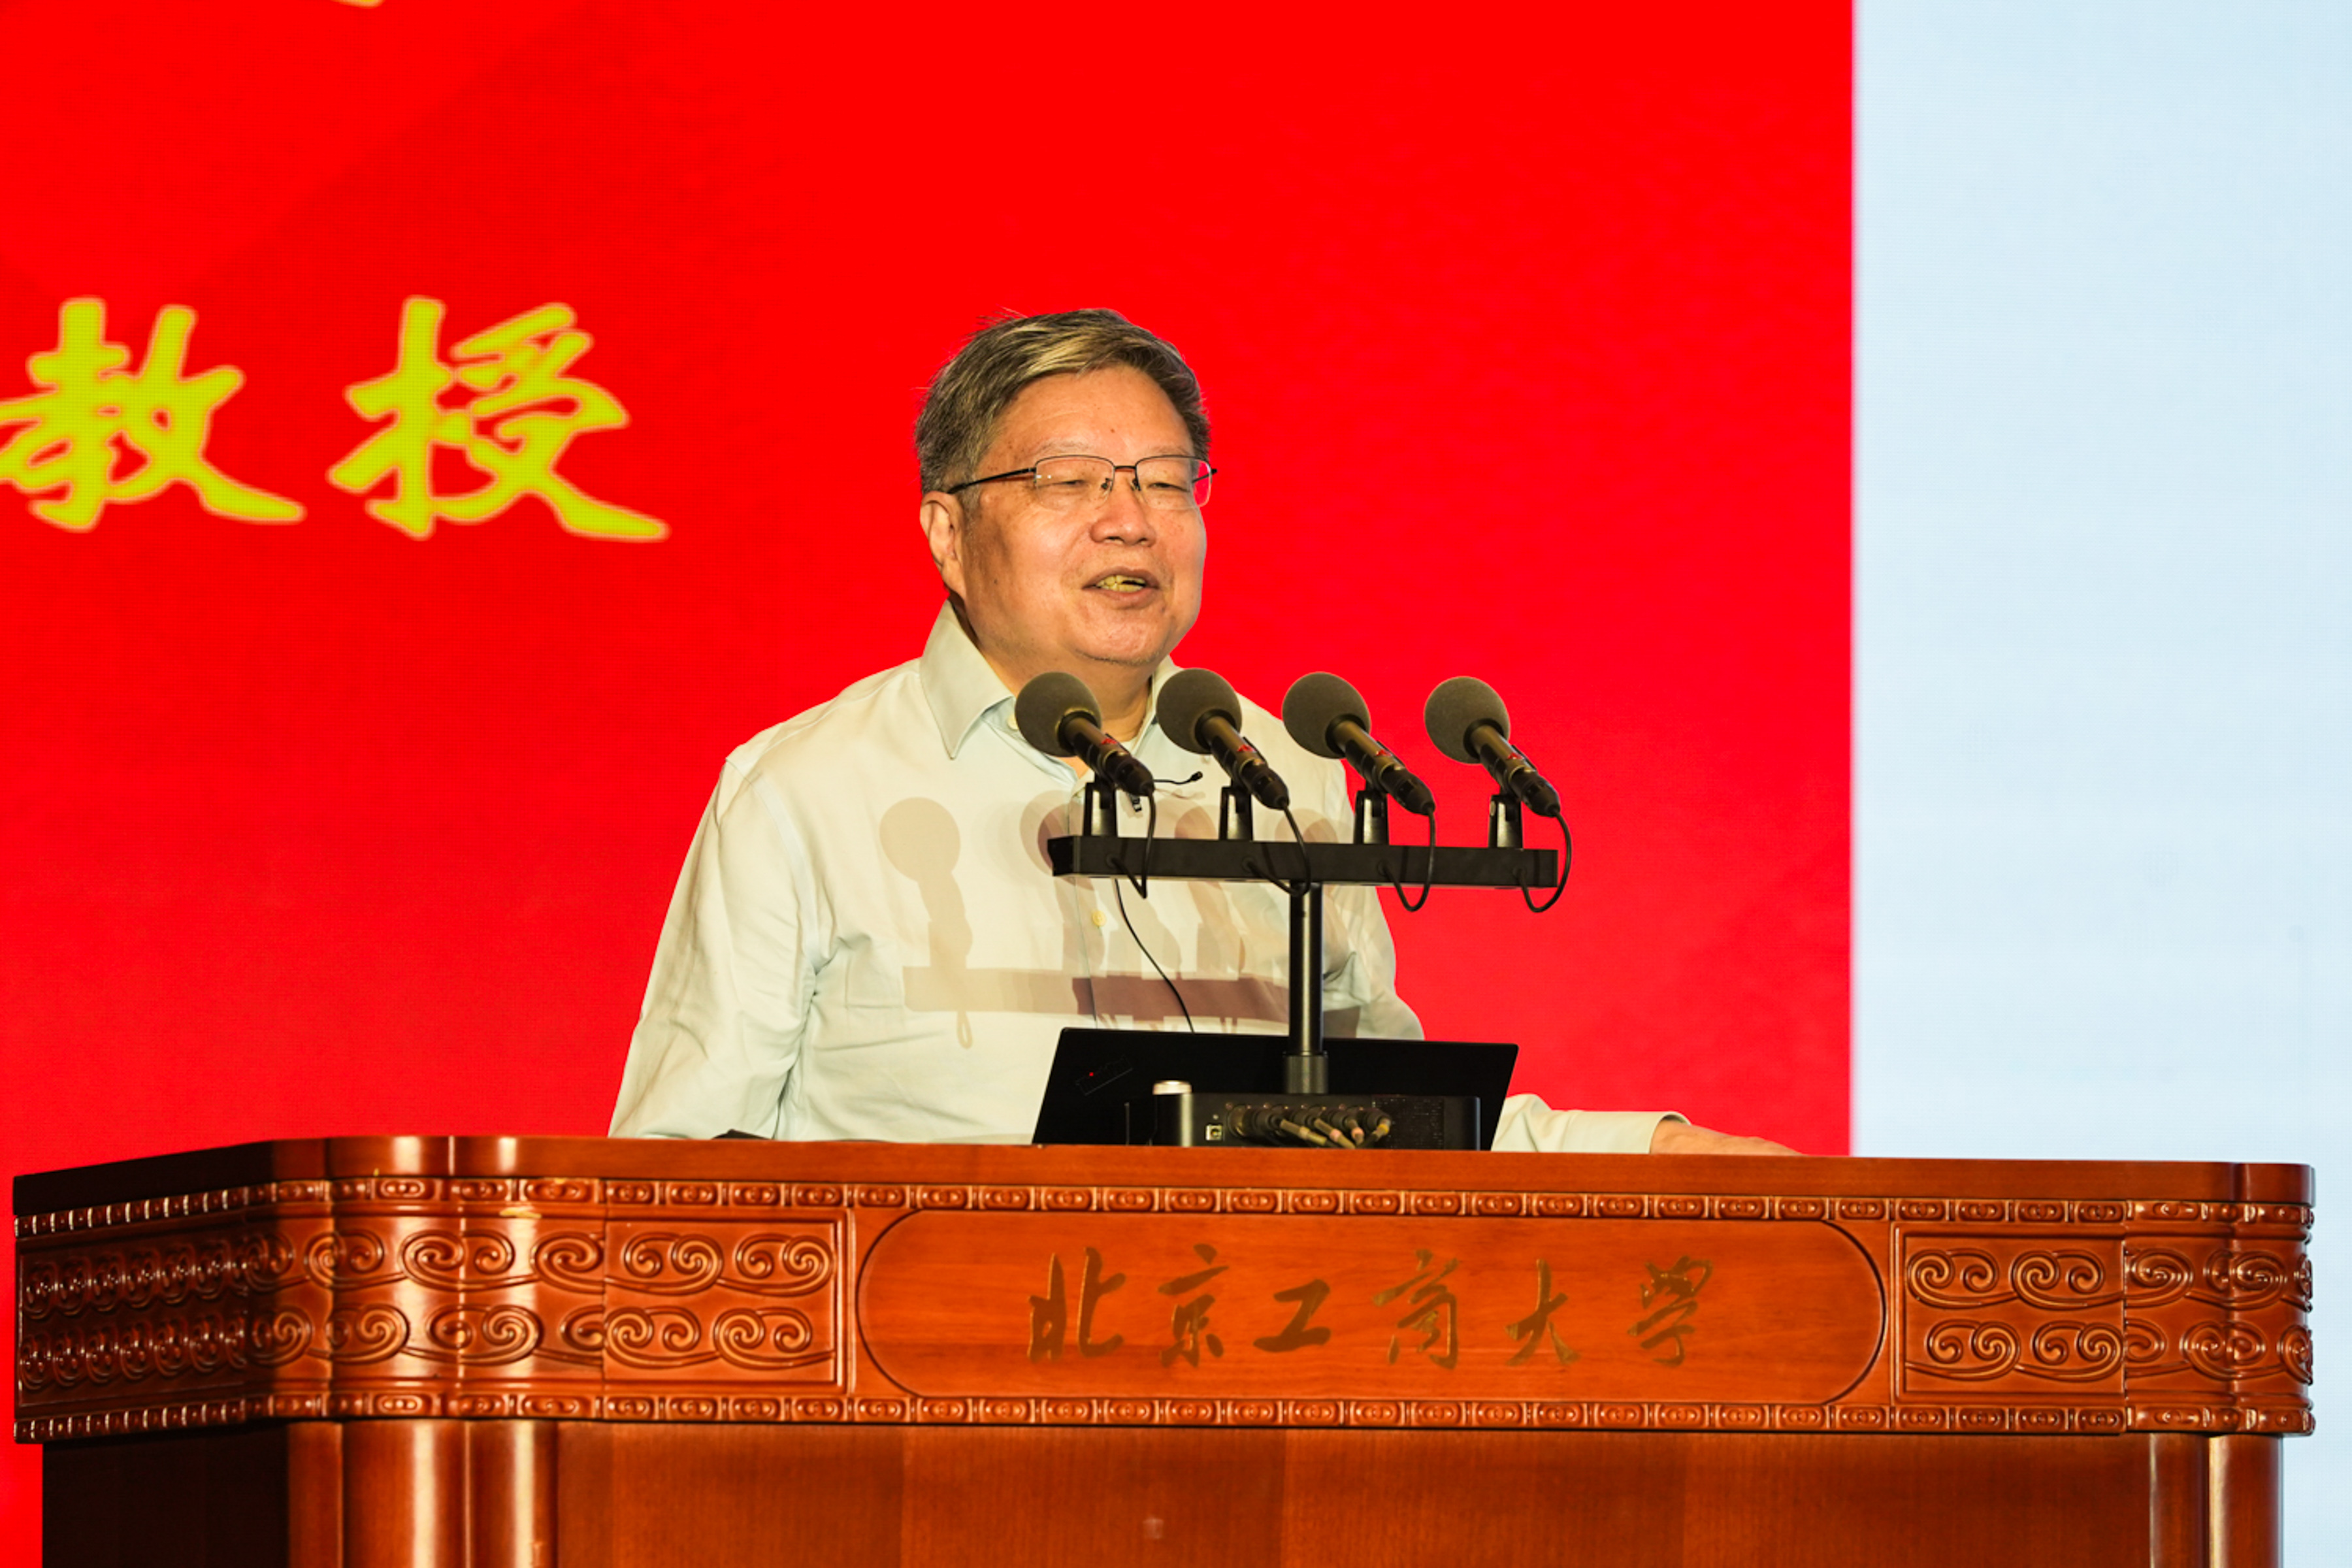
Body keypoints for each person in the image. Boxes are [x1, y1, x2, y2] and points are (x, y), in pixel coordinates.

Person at [610, 310, 1791, 1156]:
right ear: (947, 533)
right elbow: (679, 1164)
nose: (1129, 522)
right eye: (1069, 481)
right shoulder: (805, 791)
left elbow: (1394, 1132)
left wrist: (1650, 1151)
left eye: (1167, 482)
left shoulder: (1289, 780)